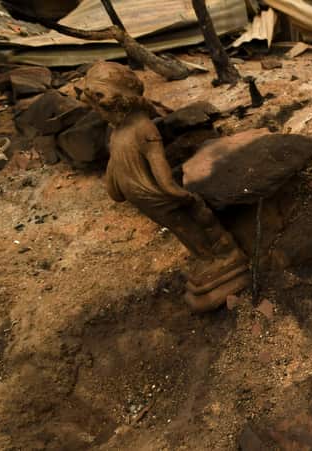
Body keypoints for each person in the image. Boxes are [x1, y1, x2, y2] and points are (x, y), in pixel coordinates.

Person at [83, 61, 249, 311]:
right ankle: (207, 257)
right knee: (182, 227)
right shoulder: (119, 132)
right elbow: (116, 172)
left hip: (154, 196)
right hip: (148, 197)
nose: (101, 114)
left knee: (187, 224)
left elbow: (159, 173)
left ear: (119, 103)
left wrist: (177, 193)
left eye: (102, 107)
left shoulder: (142, 129)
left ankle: (222, 256)